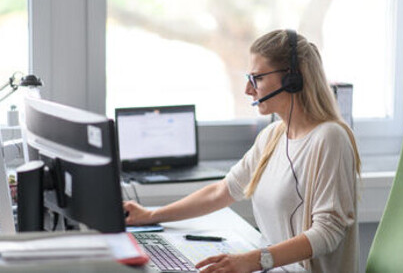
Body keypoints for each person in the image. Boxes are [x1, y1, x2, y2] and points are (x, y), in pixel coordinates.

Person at [123, 29, 361, 273]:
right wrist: (150, 216)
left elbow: (327, 232)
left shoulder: (330, 138)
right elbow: (221, 191)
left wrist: (253, 260)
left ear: (292, 79)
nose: (248, 89)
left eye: (257, 78)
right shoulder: (273, 136)